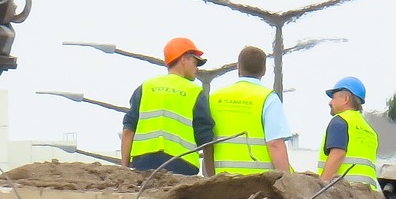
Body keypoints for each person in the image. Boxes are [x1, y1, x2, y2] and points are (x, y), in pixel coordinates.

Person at [119, 37, 215, 174]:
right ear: (183, 59)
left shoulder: (146, 87)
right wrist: (211, 176)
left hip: (144, 163)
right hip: (182, 165)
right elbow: (206, 139)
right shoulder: (194, 92)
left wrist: (124, 169)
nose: (197, 68)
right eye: (195, 62)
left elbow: (128, 130)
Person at [207, 46, 292, 175]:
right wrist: (287, 181)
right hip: (258, 182)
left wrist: (210, 176)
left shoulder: (215, 97)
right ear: (263, 70)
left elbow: (207, 142)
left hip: (222, 181)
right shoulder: (268, 98)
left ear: (238, 67)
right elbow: (275, 143)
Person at [318, 76, 379, 188]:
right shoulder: (370, 131)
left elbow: (337, 154)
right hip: (368, 197)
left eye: (333, 98)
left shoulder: (340, 121)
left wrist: (321, 187)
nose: (330, 102)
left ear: (346, 98)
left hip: (344, 195)